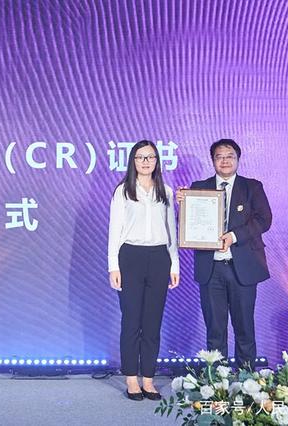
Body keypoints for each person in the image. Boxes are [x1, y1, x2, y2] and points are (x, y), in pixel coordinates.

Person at [177, 139, 272, 369]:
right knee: (215, 330)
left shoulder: (252, 187)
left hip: (243, 268)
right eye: (219, 156)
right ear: (213, 161)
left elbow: (264, 219)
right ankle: (217, 380)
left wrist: (233, 236)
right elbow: (188, 225)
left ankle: (247, 378)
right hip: (211, 269)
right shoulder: (199, 187)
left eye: (230, 156)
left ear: (238, 159)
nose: (225, 160)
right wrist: (183, 205)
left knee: (244, 328)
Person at [108, 140, 180, 401]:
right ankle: (131, 378)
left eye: (150, 157)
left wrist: (174, 263)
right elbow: (115, 230)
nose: (146, 162)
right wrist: (113, 266)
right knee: (131, 321)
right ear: (133, 161)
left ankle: (148, 379)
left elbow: (171, 230)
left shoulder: (166, 191)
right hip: (130, 257)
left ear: (157, 161)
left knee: (152, 322)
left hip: (159, 258)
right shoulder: (123, 191)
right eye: (140, 157)